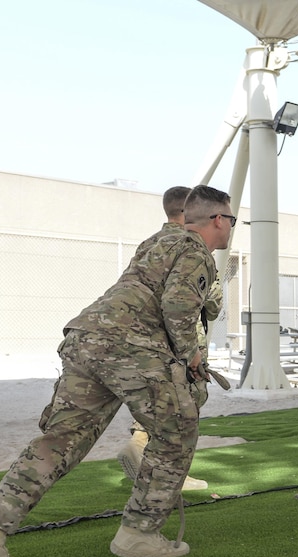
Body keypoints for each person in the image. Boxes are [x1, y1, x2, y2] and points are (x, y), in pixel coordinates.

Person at [0, 185, 234, 557]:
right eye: (232, 220)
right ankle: (138, 534)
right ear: (219, 220)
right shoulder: (195, 251)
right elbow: (177, 305)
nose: (231, 228)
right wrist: (191, 354)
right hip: (131, 349)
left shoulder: (156, 241)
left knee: (59, 441)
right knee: (177, 432)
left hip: (86, 340)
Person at [116, 185, 215, 493]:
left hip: (145, 340)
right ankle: (172, 476)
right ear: (190, 211)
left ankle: (139, 444)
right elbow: (210, 302)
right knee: (185, 407)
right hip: (181, 339)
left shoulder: (149, 244)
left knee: (159, 403)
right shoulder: (193, 246)